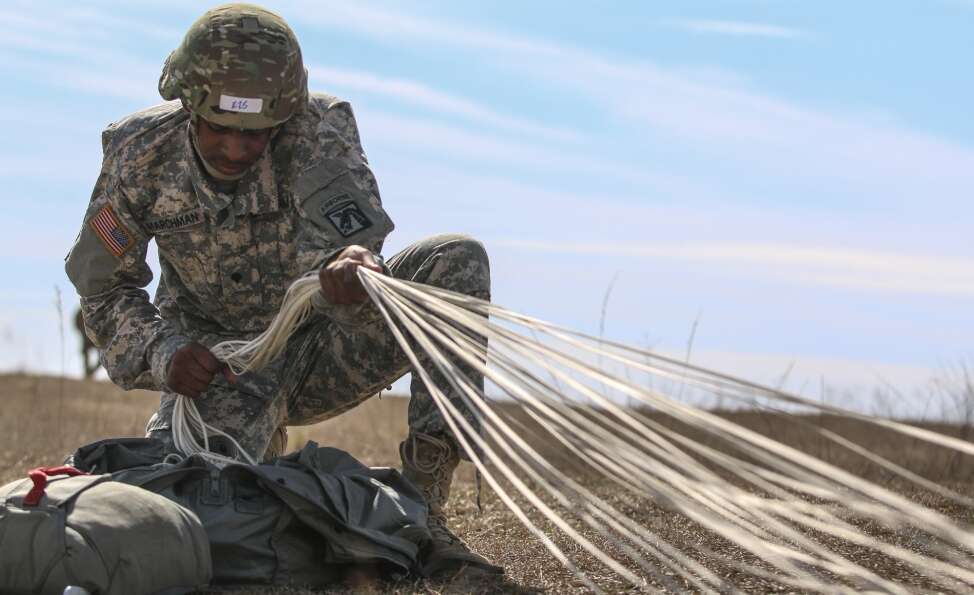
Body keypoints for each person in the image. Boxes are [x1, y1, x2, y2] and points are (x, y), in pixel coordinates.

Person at [64, 3, 500, 578]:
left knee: (456, 261)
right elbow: (103, 288)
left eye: (256, 134)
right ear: (186, 104)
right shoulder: (138, 155)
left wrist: (354, 271)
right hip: (217, 370)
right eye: (220, 128)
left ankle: (424, 513)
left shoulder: (318, 132)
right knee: (198, 510)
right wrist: (161, 353)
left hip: (325, 346)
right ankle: (296, 484)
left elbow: (352, 239)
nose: (238, 149)